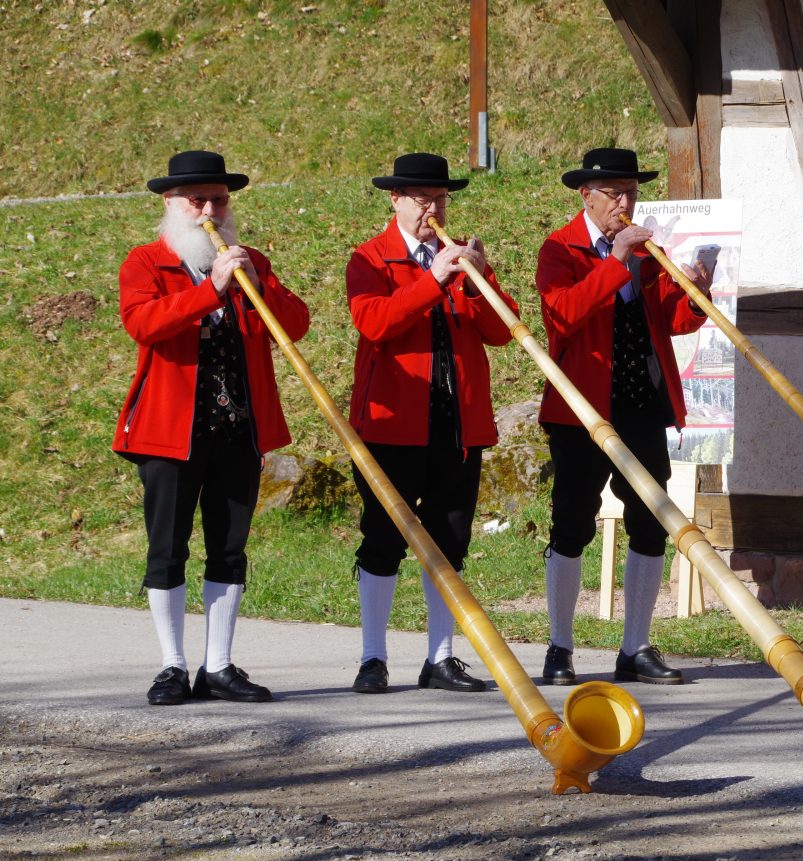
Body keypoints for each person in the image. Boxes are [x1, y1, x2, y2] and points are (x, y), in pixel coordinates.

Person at [115, 150, 310, 706]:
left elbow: (296, 325)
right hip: (169, 431)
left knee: (229, 548)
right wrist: (211, 291)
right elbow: (143, 323)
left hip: (237, 428)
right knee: (167, 548)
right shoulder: (146, 262)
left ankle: (218, 666)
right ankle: (172, 666)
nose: (209, 211)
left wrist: (257, 283)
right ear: (170, 203)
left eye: (219, 201)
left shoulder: (252, 262)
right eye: (196, 200)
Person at [535, 148, 713, 687]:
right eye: (614, 193)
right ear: (586, 196)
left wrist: (696, 293)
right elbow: (563, 314)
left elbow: (672, 322)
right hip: (581, 409)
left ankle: (635, 646)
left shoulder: (647, 250)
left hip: (640, 404)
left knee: (650, 520)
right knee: (572, 524)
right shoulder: (560, 248)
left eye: (632, 192)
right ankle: (560, 647)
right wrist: (615, 261)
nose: (625, 203)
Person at [344, 153, 519, 695]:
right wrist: (434, 279)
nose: (433, 208)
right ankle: (373, 658)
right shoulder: (369, 258)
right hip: (391, 424)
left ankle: (440, 658)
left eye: (440, 198)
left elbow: (502, 331)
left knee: (449, 542)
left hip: (457, 422)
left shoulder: (461, 256)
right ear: (395, 199)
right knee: (382, 540)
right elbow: (374, 323)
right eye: (421, 198)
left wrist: (478, 279)